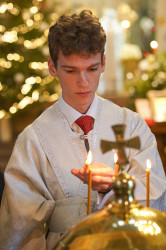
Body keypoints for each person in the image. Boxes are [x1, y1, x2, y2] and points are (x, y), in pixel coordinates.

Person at [0, 9, 166, 249]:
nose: (83, 82)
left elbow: (158, 199)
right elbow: (19, 227)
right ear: (52, 68)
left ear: (104, 63)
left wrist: (113, 187)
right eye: (71, 71)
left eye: (91, 68)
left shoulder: (131, 125)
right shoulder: (33, 140)